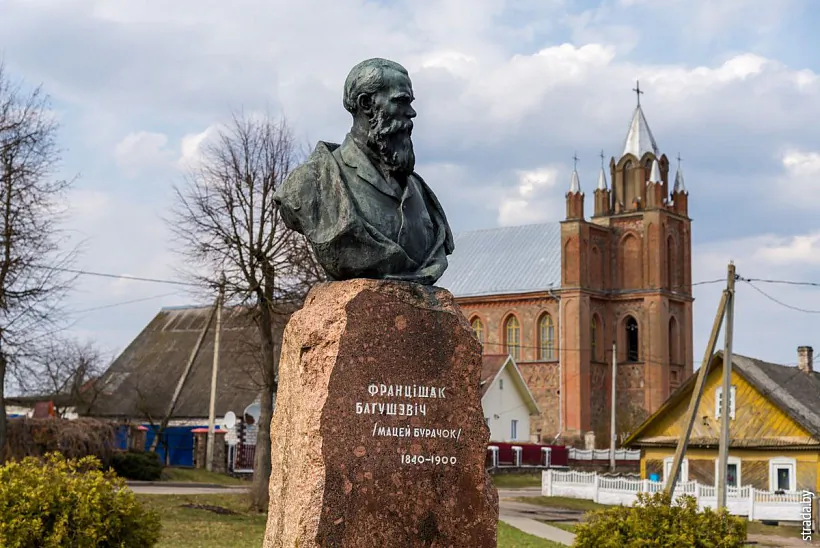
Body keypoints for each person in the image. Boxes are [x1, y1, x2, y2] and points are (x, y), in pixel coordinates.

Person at [273, 58, 454, 285]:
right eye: (401, 101)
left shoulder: (420, 191)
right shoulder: (311, 183)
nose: (412, 112)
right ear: (366, 104)